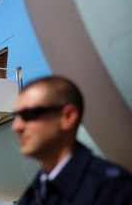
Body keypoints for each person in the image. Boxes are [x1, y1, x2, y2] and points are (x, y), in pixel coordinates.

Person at [12, 76, 132, 205]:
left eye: (29, 114)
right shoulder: (32, 196)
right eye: (15, 116)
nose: (16, 127)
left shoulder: (114, 191)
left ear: (68, 116)